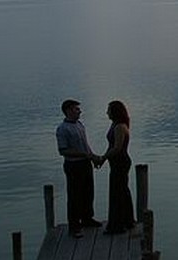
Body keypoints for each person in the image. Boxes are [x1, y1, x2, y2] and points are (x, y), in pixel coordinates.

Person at [56, 99, 102, 238]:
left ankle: (87, 218)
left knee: (88, 192)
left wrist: (92, 156)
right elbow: (63, 150)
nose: (79, 111)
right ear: (69, 110)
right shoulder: (62, 129)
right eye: (76, 109)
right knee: (75, 195)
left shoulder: (80, 125)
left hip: (85, 163)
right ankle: (74, 226)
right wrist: (84, 154)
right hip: (73, 165)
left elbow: (85, 145)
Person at [101, 100, 136, 234]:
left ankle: (118, 224)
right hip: (116, 162)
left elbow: (117, 148)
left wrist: (103, 158)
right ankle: (127, 220)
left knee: (118, 192)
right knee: (121, 190)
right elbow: (112, 147)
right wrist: (105, 157)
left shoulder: (120, 127)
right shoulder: (115, 125)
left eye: (109, 110)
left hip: (120, 162)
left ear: (115, 111)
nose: (107, 113)